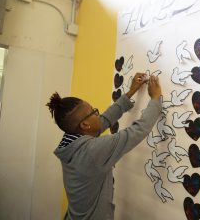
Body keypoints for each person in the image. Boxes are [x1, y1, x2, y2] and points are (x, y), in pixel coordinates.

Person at [46, 73, 162, 220]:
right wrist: (155, 99)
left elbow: (103, 120)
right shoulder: (92, 151)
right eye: (93, 112)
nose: (97, 113)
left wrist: (130, 92)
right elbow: (137, 132)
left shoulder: (72, 141)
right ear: (85, 125)